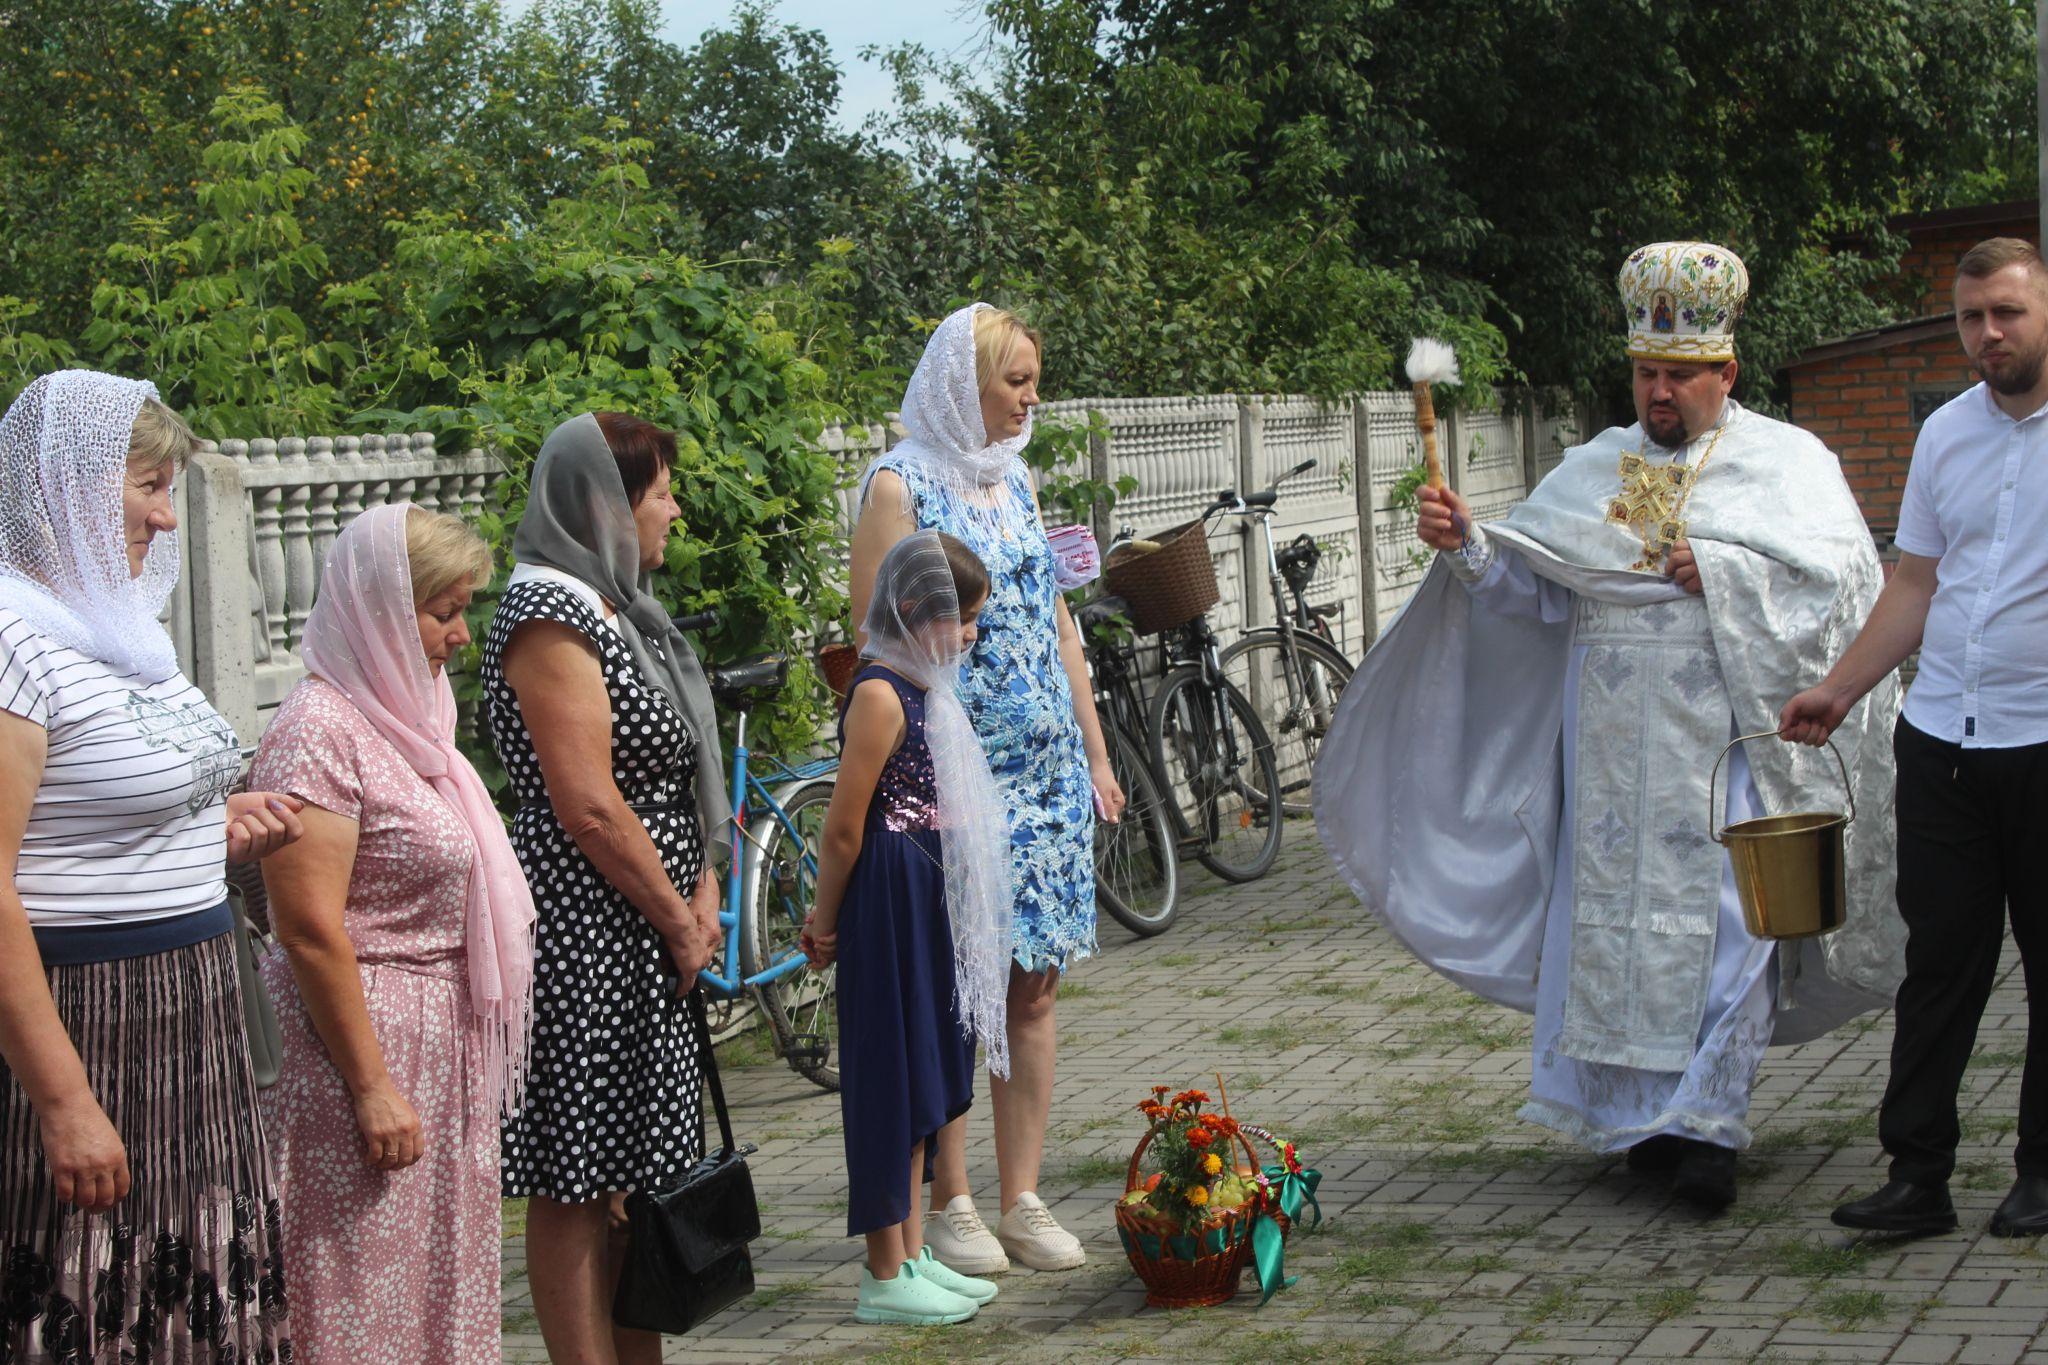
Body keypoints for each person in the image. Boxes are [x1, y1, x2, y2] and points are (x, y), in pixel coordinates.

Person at [1314, 242, 1908, 1212]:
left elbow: (1844, 587)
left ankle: (1709, 1124)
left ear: (1726, 373)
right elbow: (1541, 593)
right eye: (1644, 372)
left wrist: (1726, 571)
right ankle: (1646, 1119)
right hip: (1609, 755)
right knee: (1617, 936)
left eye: (1678, 374)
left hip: (1723, 750)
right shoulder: (1597, 467)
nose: (1658, 391)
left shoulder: (1787, 464)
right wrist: (1469, 546)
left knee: (1730, 928)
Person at [0, 371, 304, 1360]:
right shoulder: (11, 640)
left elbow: (103, 804)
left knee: (191, 1293)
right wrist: (64, 1100)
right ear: (68, 487)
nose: (167, 519)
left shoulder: (116, 628)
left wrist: (209, 822)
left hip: (192, 1007)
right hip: (90, 1016)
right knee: (88, 1293)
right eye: (148, 489)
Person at [848, 303, 1125, 1274]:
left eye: (1033, 380)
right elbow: (876, 639)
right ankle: (953, 1198)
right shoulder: (899, 484)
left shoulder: (1016, 478)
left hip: (1046, 773)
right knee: (956, 985)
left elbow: (1057, 624)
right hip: (954, 776)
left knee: (1032, 985)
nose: (1031, 398)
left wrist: (1094, 752)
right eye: (1016, 380)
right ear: (962, 383)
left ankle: (1022, 1196)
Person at [1783, 237, 2048, 1239]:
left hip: (2041, 742)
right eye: (1971, 317)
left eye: (2007, 313)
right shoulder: (1944, 433)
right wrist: (1839, 688)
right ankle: (1916, 1174)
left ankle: (2041, 1174)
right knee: (1938, 962)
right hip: (1941, 740)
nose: (1988, 334)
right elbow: (1915, 584)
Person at [251, 502, 535, 1361]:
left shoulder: (414, 723)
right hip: (358, 1048)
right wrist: (372, 1085)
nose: (461, 636)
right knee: (358, 1288)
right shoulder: (318, 730)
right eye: (442, 612)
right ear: (380, 610)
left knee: (432, 1281)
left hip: (435, 1046)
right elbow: (308, 926)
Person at [481, 411, 727, 1364]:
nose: (675, 509)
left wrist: (700, 881)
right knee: (580, 1178)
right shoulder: (550, 612)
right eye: (660, 492)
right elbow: (588, 802)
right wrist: (676, 916)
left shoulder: (616, 603)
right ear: (606, 507)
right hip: (590, 926)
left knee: (639, 1169)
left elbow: (669, 772)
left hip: (644, 923)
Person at [803, 530, 1009, 1324]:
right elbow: (843, 828)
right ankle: (883, 1270)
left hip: (926, 893)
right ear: (918, 611)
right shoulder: (882, 694)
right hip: (888, 894)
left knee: (924, 1065)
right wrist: (824, 920)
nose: (973, 633)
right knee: (888, 1071)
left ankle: (915, 1251)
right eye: (964, 617)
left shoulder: (926, 687)